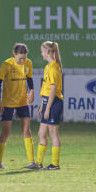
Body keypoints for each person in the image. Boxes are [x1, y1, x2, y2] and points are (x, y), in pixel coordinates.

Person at [0, 43, 35, 169]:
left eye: (24, 58)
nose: (22, 61)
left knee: (26, 130)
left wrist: (32, 90)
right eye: (20, 58)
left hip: (22, 102)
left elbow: (29, 78)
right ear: (14, 54)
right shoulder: (7, 64)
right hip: (8, 102)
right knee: (6, 131)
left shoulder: (28, 63)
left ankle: (31, 162)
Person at [28, 41, 63, 170]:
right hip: (48, 102)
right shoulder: (48, 67)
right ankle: (38, 163)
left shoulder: (54, 67)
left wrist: (47, 108)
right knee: (41, 133)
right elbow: (47, 89)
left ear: (47, 51)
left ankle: (55, 164)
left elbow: (53, 90)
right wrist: (43, 106)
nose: (41, 53)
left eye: (42, 51)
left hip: (54, 103)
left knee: (53, 134)